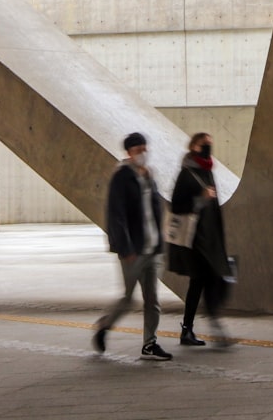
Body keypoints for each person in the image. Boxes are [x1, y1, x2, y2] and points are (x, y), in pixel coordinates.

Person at [92, 132, 172, 361]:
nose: (143, 154)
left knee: (153, 300)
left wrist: (160, 240)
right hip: (133, 250)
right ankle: (104, 326)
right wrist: (125, 248)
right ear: (129, 153)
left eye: (145, 149)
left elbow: (156, 208)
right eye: (138, 150)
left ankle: (150, 343)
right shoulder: (121, 177)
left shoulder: (149, 175)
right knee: (128, 299)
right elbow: (116, 215)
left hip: (152, 248)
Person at [168, 132, 233, 346]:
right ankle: (207, 328)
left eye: (210, 143)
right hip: (195, 239)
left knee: (209, 281)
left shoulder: (208, 171)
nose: (208, 146)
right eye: (204, 143)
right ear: (194, 146)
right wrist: (200, 198)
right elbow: (177, 205)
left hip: (211, 237)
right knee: (203, 280)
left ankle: (192, 329)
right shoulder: (187, 173)